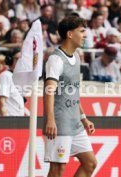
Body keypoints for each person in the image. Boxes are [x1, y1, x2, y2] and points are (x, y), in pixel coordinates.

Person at [44, 15, 97, 177]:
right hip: (60, 124)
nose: (85, 35)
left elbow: (73, 92)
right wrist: (50, 120)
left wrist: (83, 118)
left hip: (76, 124)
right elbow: (48, 92)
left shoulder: (76, 57)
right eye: (81, 31)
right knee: (57, 170)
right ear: (70, 34)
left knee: (90, 163)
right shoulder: (55, 60)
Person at [0, 49, 25, 116]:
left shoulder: (17, 78)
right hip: (8, 123)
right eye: (17, 59)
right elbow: (1, 102)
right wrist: (7, 123)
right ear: (10, 61)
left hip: (16, 122)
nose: (20, 61)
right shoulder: (5, 76)